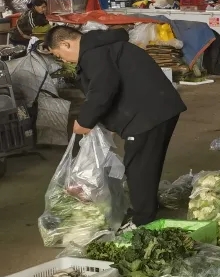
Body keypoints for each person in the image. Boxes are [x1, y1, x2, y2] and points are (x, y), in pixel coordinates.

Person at [43, 25, 187, 225]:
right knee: (147, 163)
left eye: (60, 55)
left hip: (147, 115)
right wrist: (110, 121)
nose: (64, 60)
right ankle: (148, 206)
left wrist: (85, 121)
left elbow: (103, 89)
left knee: (138, 169)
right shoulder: (106, 46)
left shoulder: (93, 54)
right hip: (160, 108)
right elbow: (120, 83)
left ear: (66, 44)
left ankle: (142, 220)